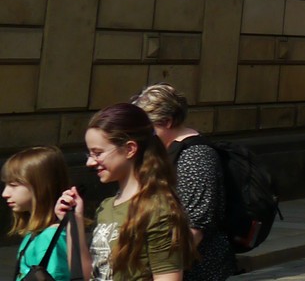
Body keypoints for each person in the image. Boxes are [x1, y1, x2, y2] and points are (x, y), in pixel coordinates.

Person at [57, 103, 191, 281]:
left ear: (129, 149)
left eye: (98, 153)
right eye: (89, 154)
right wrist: (74, 222)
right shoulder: (107, 207)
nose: (90, 162)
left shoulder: (158, 209)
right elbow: (86, 274)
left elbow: (168, 277)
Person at [131, 85, 234, 281]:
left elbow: (195, 227)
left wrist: (161, 272)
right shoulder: (166, 151)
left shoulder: (196, 156)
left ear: (168, 122)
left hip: (196, 269)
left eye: (148, 129)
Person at [5, 146, 76, 281]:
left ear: (40, 187)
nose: (5, 194)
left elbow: (55, 277)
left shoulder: (49, 237)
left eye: (13, 185)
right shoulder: (36, 233)